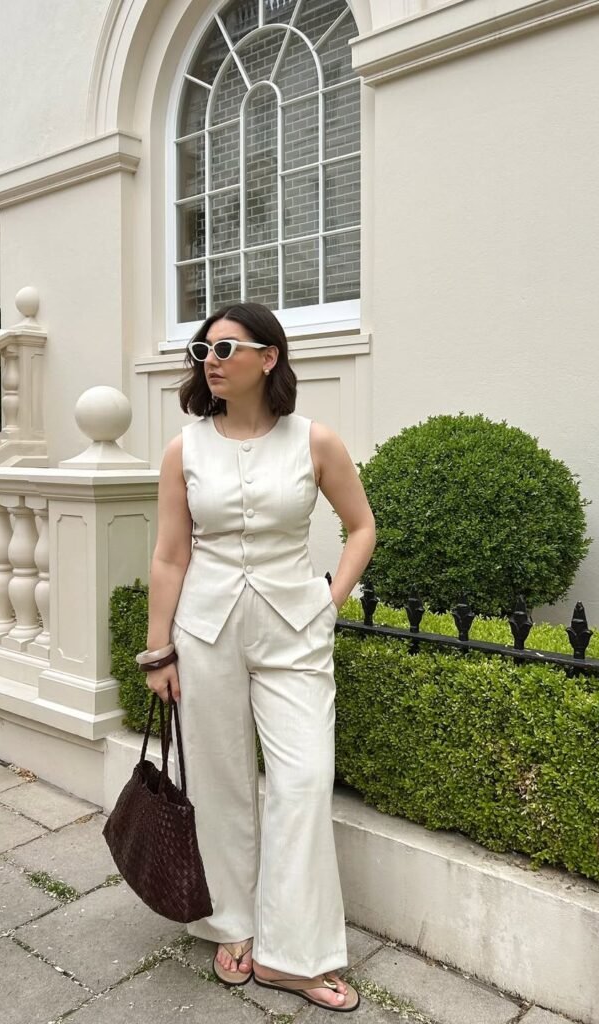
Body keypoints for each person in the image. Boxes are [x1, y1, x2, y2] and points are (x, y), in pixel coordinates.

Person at [144, 302, 376, 1012]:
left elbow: (361, 526)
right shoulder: (185, 449)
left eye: (224, 348)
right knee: (216, 783)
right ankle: (231, 925)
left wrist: (329, 601)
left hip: (293, 632)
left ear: (268, 357)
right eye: (200, 351)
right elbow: (169, 553)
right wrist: (157, 652)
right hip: (206, 629)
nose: (208, 361)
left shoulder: (316, 441)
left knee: (304, 779)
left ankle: (294, 954)